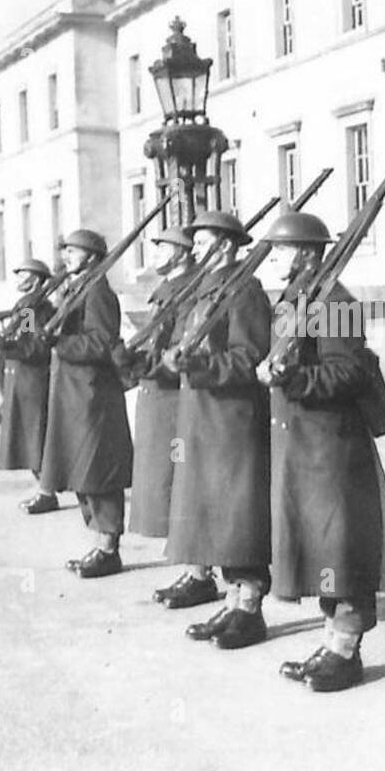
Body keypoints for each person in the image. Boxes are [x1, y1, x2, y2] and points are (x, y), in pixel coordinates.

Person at [257, 212, 385, 692]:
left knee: (341, 550)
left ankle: (346, 652)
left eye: (281, 250)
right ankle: (330, 642)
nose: (273, 257)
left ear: (305, 252)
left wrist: (293, 379)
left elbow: (348, 372)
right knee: (322, 548)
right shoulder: (294, 298)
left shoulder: (334, 300)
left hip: (333, 450)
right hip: (304, 446)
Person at [159, 211, 272, 648]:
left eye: (203, 241)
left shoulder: (244, 291)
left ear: (225, 246)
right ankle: (232, 600)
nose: (195, 249)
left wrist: (202, 366)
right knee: (215, 512)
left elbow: (249, 356)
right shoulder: (205, 289)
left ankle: (250, 608)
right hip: (204, 416)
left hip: (232, 420)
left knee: (238, 515)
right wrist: (175, 359)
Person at [38, 229, 134, 578]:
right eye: (66, 250)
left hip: (94, 396)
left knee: (99, 471)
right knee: (81, 470)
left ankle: (109, 547)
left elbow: (101, 343)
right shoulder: (77, 288)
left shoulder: (98, 293)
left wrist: (59, 343)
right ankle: (98, 543)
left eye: (74, 252)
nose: (66, 256)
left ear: (92, 257)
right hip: (73, 394)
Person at [112, 227, 196, 540]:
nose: (156, 253)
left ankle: (193, 564)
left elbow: (180, 347)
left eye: (164, 248)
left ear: (183, 253)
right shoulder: (168, 287)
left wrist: (144, 364)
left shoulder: (188, 289)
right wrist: (135, 363)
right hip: (157, 394)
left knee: (175, 479)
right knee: (159, 479)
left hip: (172, 399)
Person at [0, 258, 59, 514]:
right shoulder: (28, 306)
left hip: (31, 380)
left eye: (24, 275)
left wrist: (6, 346)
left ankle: (47, 493)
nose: (19, 279)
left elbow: (32, 346)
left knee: (35, 436)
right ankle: (44, 489)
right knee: (30, 436)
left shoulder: (33, 309)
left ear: (37, 280)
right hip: (21, 379)